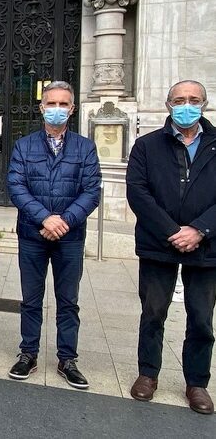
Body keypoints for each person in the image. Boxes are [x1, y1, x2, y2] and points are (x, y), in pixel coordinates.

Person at [126, 80, 216, 414]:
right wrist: (171, 231)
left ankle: (197, 383)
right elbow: (137, 192)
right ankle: (148, 374)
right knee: (152, 312)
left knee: (201, 316)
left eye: (193, 99)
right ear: (168, 104)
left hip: (207, 246)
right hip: (157, 243)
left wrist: (199, 229)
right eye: (179, 100)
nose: (186, 105)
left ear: (204, 103)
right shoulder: (147, 145)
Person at [6, 81, 101, 389]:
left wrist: (65, 221)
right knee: (31, 299)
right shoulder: (24, 145)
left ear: (72, 109)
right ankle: (28, 353)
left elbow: (91, 190)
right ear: (41, 107)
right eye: (52, 104)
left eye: (63, 104)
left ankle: (67, 358)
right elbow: (16, 187)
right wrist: (45, 218)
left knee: (68, 300)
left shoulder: (85, 147)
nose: (57, 109)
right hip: (32, 234)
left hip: (70, 237)